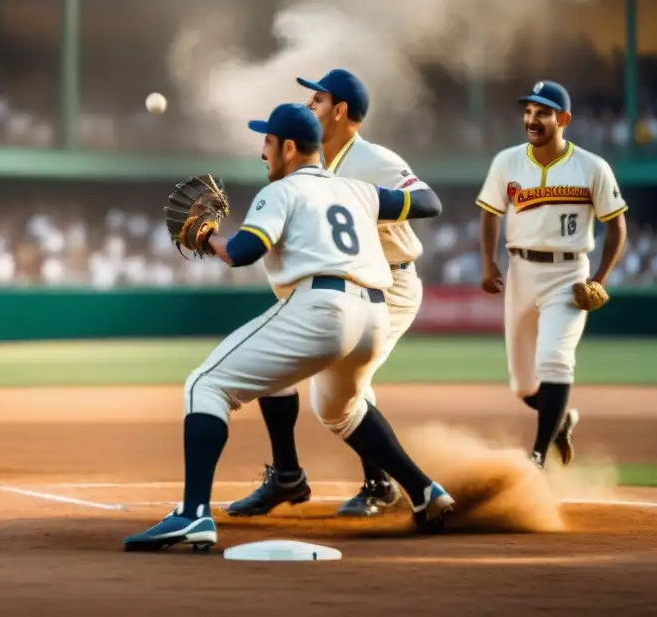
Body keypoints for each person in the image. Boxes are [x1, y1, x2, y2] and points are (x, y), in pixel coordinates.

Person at [123, 102, 453, 552]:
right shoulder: (358, 190)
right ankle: (424, 492)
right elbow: (421, 203)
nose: (263, 152)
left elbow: (243, 251)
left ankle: (193, 514)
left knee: (206, 384)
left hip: (322, 310)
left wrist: (206, 237)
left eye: (268, 142)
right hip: (375, 314)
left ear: (290, 148)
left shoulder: (279, 192)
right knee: (342, 409)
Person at [227, 69, 439, 519]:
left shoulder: (373, 159)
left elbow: (428, 201)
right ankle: (287, 475)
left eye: (317, 101)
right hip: (341, 282)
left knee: (339, 397)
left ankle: (384, 486)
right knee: (276, 360)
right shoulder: (313, 163)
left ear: (340, 110)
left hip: (390, 282)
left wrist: (372, 202)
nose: (309, 108)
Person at [476, 81, 627, 468]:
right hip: (520, 271)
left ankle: (538, 456)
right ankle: (560, 421)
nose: (532, 118)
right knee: (524, 386)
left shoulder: (591, 167)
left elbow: (617, 225)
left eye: (542, 112)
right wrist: (488, 262)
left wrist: (600, 278)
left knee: (555, 360)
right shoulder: (506, 162)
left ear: (563, 119)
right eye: (528, 111)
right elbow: (490, 212)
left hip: (568, 274)